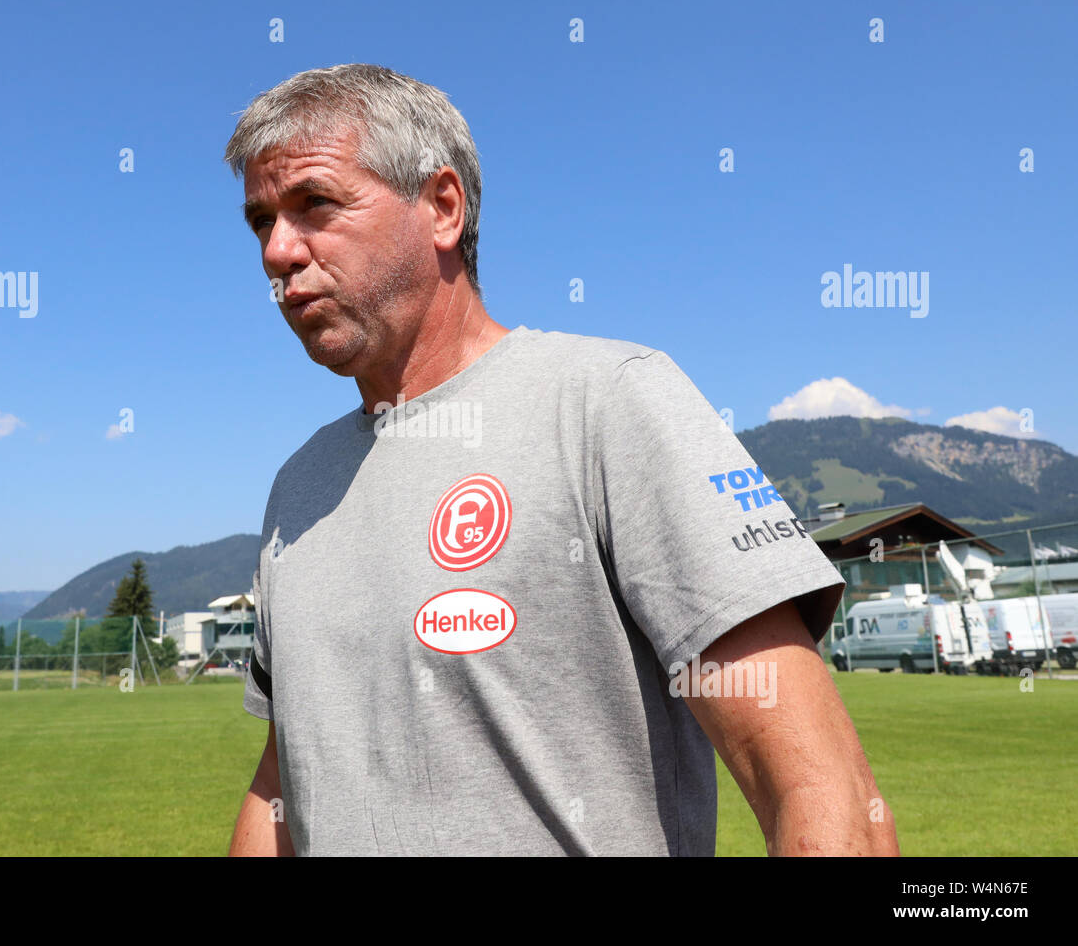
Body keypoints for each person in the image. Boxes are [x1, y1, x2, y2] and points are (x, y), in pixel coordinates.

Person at [222, 63, 898, 856]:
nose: (278, 252)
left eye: (315, 206)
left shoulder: (608, 402)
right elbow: (281, 783)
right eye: (260, 221)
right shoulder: (297, 488)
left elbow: (821, 794)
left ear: (442, 207)